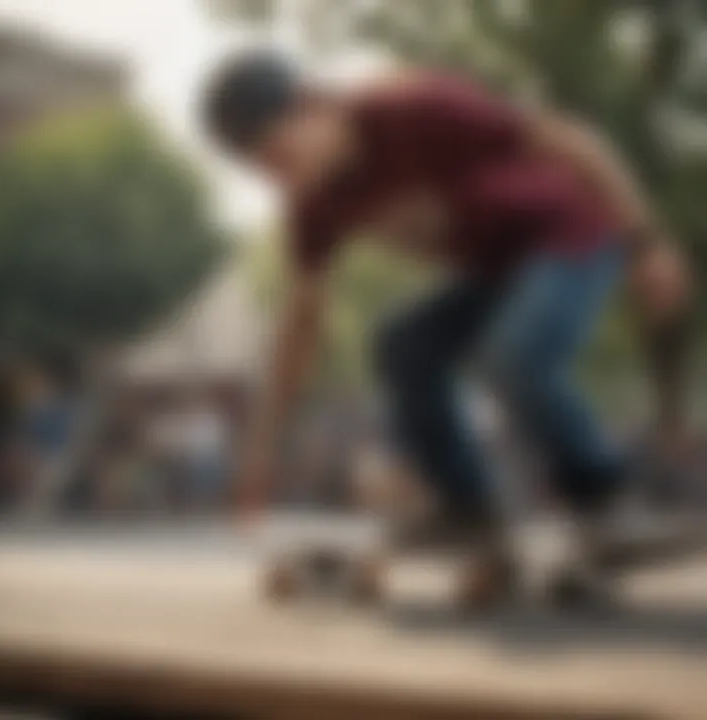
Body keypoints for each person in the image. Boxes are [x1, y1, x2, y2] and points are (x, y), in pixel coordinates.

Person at [201, 52, 691, 599]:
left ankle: (606, 498)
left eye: (279, 157)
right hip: (498, 272)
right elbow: (298, 328)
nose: (282, 183)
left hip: (574, 235)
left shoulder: (416, 108)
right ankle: (468, 507)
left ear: (315, 105)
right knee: (402, 344)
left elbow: (575, 140)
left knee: (515, 356)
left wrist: (647, 242)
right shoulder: (315, 206)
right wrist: (261, 452)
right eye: (262, 173)